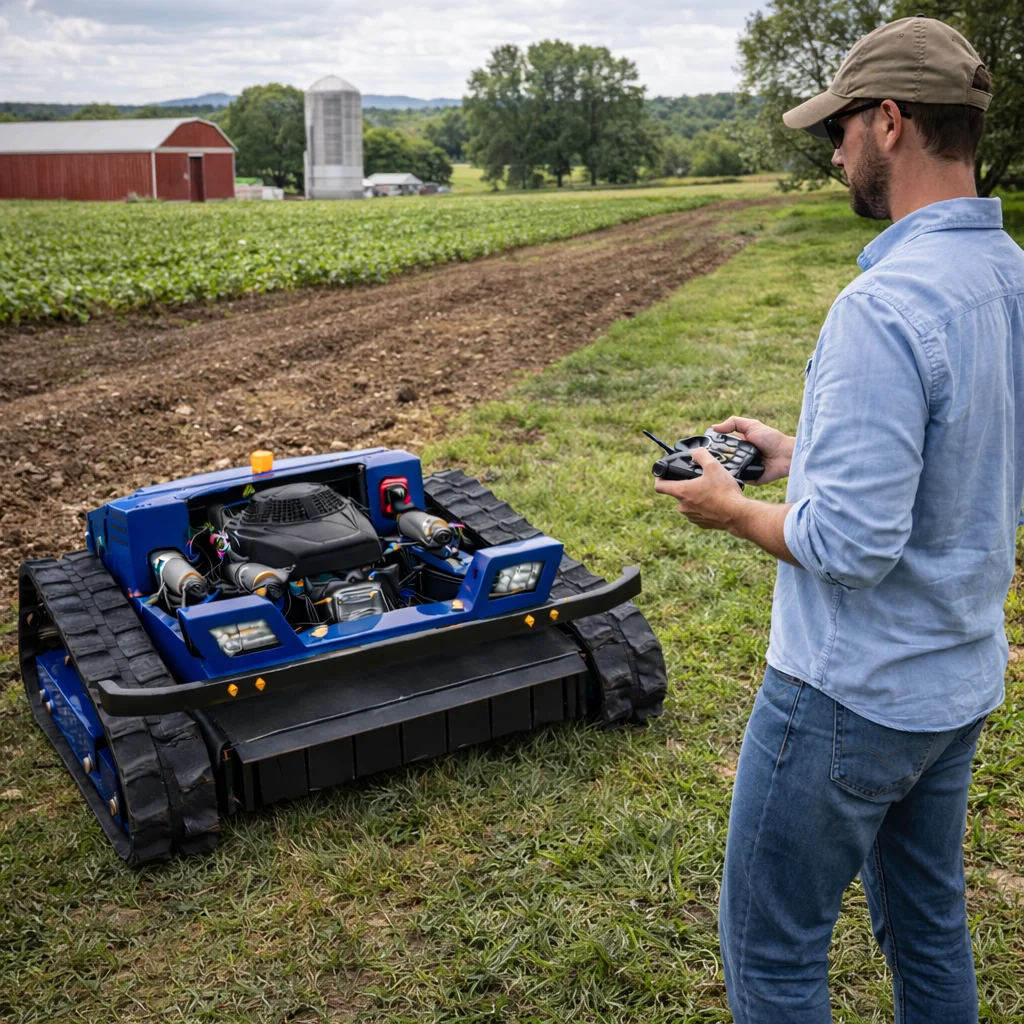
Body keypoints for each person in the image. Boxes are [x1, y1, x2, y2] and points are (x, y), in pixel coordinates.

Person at [653, 16, 1024, 1024]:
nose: (833, 151)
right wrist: (796, 454)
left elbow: (847, 546)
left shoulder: (883, 304)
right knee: (930, 928)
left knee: (771, 952)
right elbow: (964, 453)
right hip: (953, 683)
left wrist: (732, 507)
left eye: (840, 128)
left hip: (847, 697)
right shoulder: (1009, 276)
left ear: (890, 122)